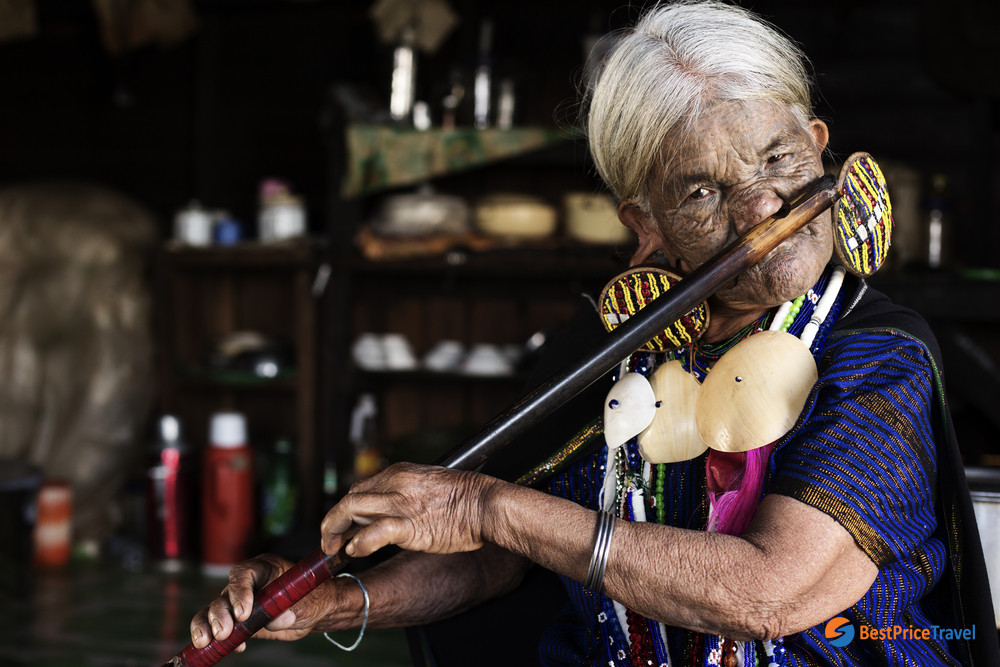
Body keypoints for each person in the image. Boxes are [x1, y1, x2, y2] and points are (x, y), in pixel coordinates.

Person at [189, 2, 999, 665]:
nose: (764, 211)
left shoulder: (880, 354)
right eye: (703, 193)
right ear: (644, 226)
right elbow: (510, 553)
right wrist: (350, 595)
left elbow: (771, 592)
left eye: (778, 159)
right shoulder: (618, 344)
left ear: (819, 148)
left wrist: (485, 504)